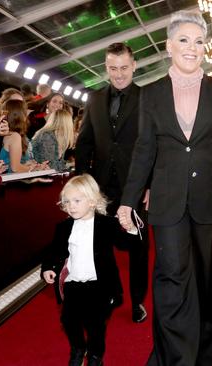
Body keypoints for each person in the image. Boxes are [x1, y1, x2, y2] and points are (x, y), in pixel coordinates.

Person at [117, 10, 212, 366]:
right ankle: (173, 359)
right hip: (167, 201)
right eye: (184, 40)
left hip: (210, 200)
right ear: (169, 46)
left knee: (208, 281)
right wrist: (128, 201)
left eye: (199, 41)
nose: (193, 48)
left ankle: (207, 357)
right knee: (171, 278)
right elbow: (144, 150)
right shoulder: (151, 94)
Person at [75, 42, 150, 324]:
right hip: (101, 189)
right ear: (105, 68)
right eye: (112, 68)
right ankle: (113, 293)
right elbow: (84, 144)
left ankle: (138, 301)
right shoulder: (93, 99)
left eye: (123, 68)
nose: (118, 74)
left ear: (134, 66)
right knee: (100, 247)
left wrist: (151, 184)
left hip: (137, 187)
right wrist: (82, 184)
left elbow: (156, 144)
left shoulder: (148, 97)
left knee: (139, 249)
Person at [41, 174, 124, 366]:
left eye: (77, 200)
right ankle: (78, 348)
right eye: (67, 201)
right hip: (73, 284)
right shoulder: (64, 227)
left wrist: (130, 229)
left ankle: (95, 355)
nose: (71, 206)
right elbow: (53, 252)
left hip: (100, 286)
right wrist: (47, 268)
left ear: (92, 201)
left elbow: (125, 244)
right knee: (69, 321)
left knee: (96, 326)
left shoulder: (107, 224)